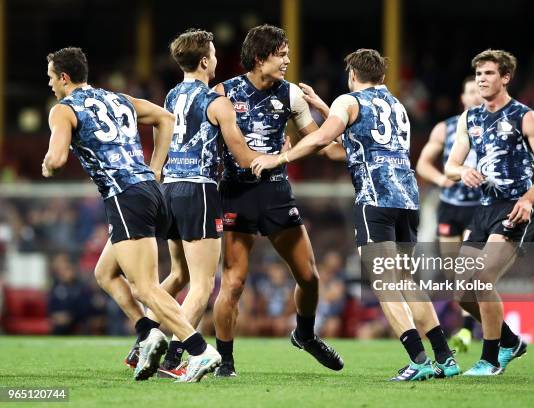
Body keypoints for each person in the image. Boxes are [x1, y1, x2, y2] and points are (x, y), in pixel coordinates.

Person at [251, 48, 460, 381]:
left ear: (352, 74)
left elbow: (322, 138)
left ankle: (418, 360)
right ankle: (445, 357)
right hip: (407, 200)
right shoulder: (396, 106)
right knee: (406, 281)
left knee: (385, 284)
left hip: (374, 200)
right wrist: (322, 107)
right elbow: (347, 150)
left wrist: (279, 159)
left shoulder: (347, 102)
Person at [43, 47, 220, 383]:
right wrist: (155, 168)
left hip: (125, 197)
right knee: (105, 273)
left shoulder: (63, 110)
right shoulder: (116, 98)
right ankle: (147, 333)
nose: (50, 84)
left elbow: (56, 158)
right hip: (152, 192)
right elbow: (165, 118)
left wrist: (48, 166)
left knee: (146, 288)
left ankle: (199, 350)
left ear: (64, 78)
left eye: (51, 77)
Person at [127, 29, 261, 379]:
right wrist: (277, 157)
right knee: (203, 284)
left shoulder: (171, 97)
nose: (216, 59)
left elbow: (160, 134)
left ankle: (143, 341)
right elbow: (241, 154)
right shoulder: (216, 102)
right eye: (214, 54)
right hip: (199, 191)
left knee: (178, 274)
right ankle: (172, 357)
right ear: (205, 61)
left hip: (169, 190)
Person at [212, 24, 344, 377]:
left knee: (310, 277)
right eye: (281, 54)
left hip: (275, 193)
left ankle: (304, 335)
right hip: (236, 193)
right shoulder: (223, 93)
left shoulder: (291, 96)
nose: (287, 60)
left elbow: (321, 143)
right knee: (234, 282)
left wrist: (357, 149)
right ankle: (225, 361)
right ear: (260, 57)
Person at [445, 49, 534, 375]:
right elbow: (453, 163)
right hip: (483, 211)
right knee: (462, 293)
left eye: (489, 73)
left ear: (505, 77)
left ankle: (490, 359)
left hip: (514, 209)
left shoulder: (524, 116)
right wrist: (460, 172)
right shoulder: (471, 118)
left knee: (482, 279)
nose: (482, 79)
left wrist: (529, 199)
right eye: (478, 74)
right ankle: (511, 342)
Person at [415, 77, 483, 351]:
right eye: (470, 91)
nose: (475, 96)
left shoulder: (492, 125)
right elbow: (422, 163)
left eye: (479, 91)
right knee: (455, 272)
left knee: (468, 268)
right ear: (463, 97)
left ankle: (468, 330)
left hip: (479, 208)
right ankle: (475, 323)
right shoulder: (446, 128)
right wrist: (442, 180)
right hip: (450, 207)